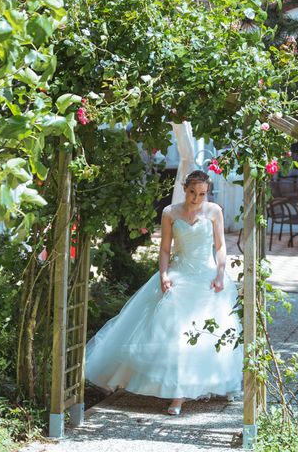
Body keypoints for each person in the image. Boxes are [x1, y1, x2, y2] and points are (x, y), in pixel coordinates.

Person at [85, 170, 243, 415]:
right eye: (192, 192)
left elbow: (221, 247)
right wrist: (164, 274)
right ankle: (177, 394)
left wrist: (220, 274)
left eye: (202, 194)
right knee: (177, 334)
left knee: (212, 333)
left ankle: (223, 383)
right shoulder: (170, 213)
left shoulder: (214, 211)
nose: (197, 198)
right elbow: (166, 250)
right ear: (184, 188)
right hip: (180, 275)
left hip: (207, 277)